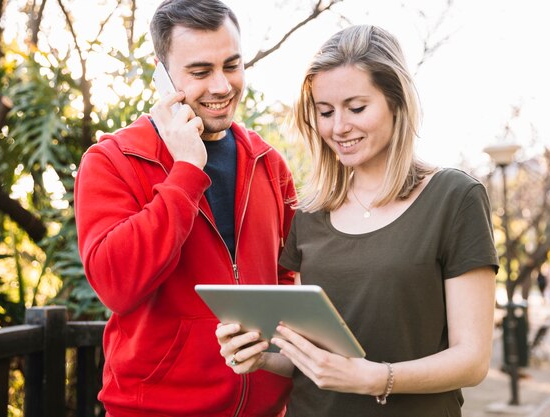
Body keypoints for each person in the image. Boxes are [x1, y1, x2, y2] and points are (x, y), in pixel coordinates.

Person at [216, 24, 499, 416]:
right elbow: (313, 358)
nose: (338, 127)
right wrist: (261, 355)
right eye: (325, 112)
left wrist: (376, 379)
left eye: (357, 107)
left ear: (396, 102)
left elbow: (472, 360)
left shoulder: (455, 198)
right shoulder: (310, 212)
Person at [74, 1, 296, 416]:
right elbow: (115, 285)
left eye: (232, 65)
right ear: (162, 72)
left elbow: (288, 278)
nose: (221, 86)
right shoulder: (112, 160)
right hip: (154, 409)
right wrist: (186, 172)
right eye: (200, 72)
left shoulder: (269, 163)